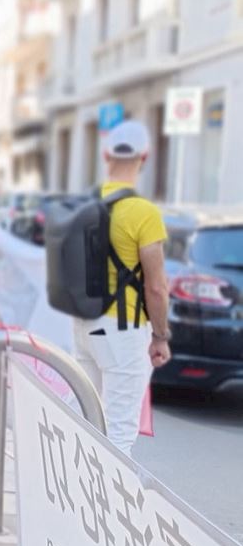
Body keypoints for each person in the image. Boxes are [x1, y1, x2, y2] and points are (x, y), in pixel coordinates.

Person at [72, 118, 171, 455]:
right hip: (123, 330)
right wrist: (160, 336)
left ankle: (71, 487)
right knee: (118, 433)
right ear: (144, 157)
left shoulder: (84, 204)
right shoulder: (143, 213)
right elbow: (156, 287)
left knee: (83, 420)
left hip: (84, 325)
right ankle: (108, 491)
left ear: (106, 155)